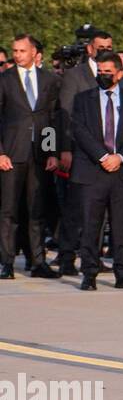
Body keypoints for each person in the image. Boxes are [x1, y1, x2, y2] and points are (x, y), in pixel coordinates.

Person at [71, 51, 123, 291]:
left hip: (122, 172)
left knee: (122, 225)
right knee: (91, 224)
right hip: (93, 170)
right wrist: (103, 156)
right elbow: (79, 131)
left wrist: (120, 157)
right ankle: (90, 273)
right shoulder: (83, 99)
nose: (103, 76)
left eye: (108, 72)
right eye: (100, 72)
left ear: (120, 74)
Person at [0, 34, 61, 279]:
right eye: (15, 50)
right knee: (9, 211)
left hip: (39, 156)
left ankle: (38, 262)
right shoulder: (4, 79)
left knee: (37, 211)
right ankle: (6, 263)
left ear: (34, 52)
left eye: (22, 51)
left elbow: (50, 118)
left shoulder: (49, 79)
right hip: (12, 155)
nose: (17, 55)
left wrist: (51, 152)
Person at [56, 28, 114, 276]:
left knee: (99, 209)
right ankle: (67, 256)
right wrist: (65, 149)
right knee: (75, 209)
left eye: (108, 48)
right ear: (90, 49)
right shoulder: (75, 75)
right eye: (100, 47)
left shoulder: (113, 73)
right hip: (79, 152)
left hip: (105, 153)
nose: (104, 51)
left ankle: (93, 256)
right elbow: (66, 114)